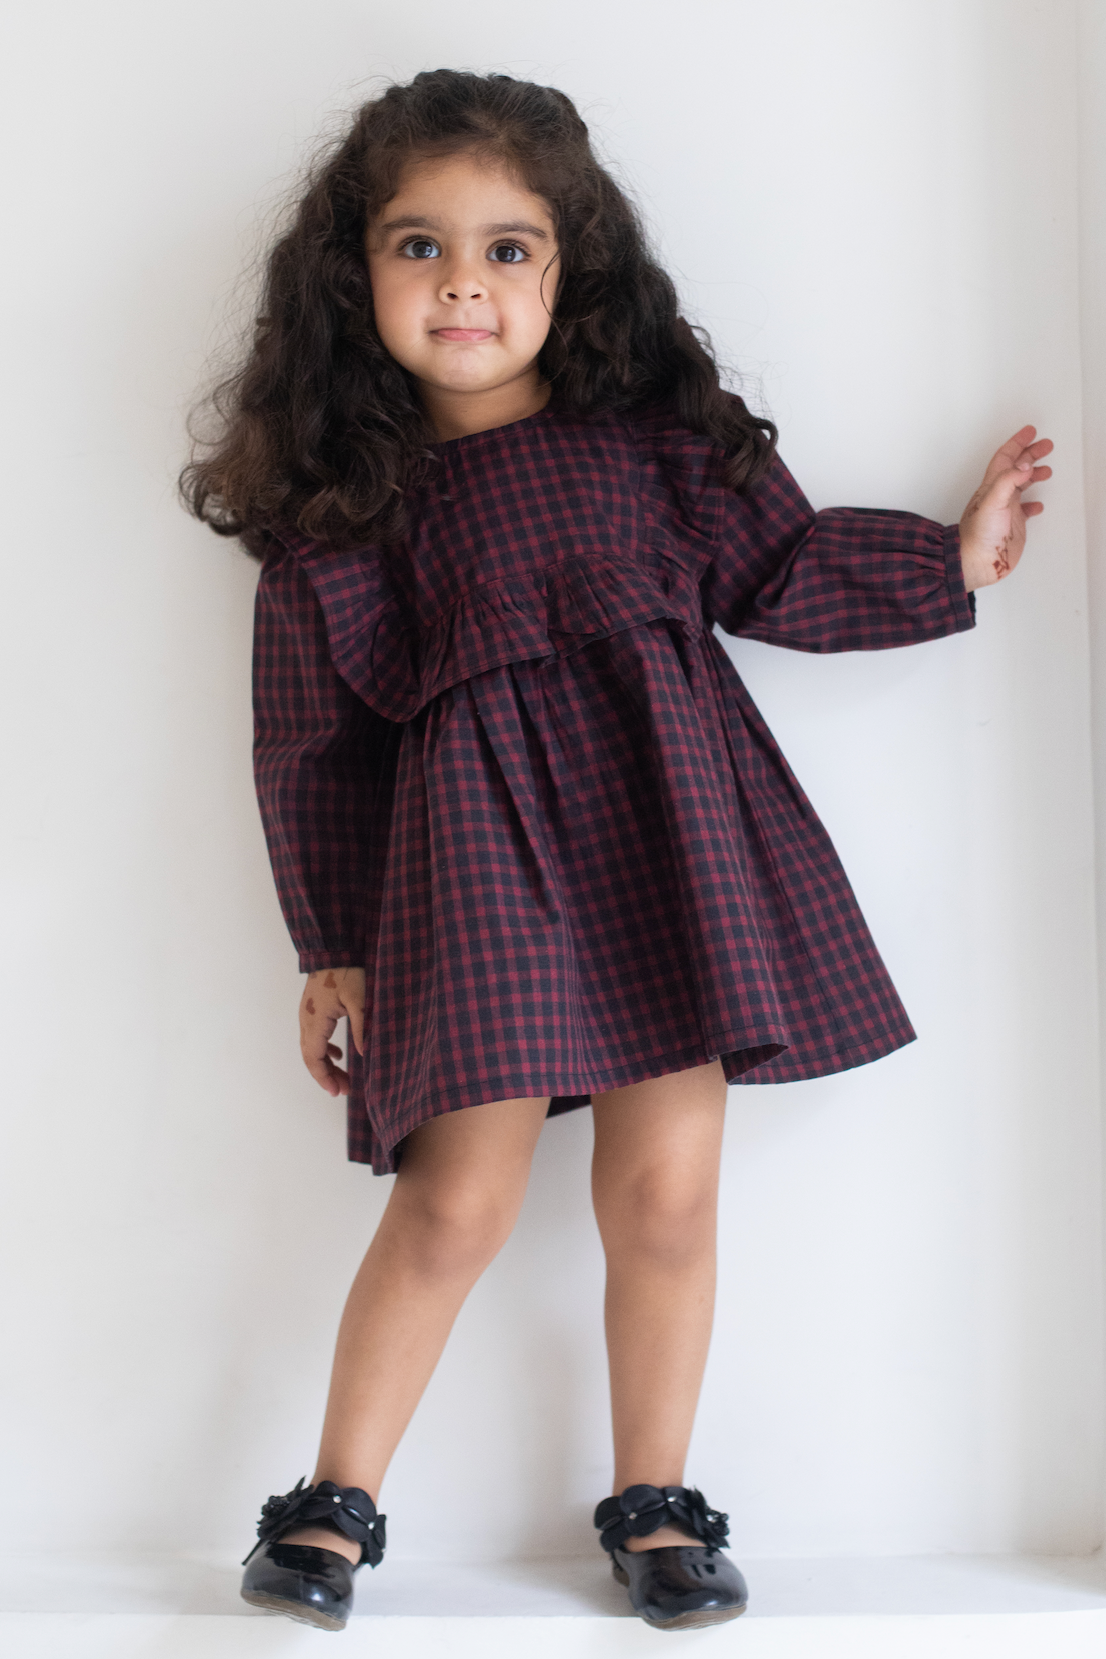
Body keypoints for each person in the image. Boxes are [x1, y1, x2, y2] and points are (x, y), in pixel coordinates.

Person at [181, 68, 1052, 1633]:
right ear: (349, 276)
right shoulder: (343, 520)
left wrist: (948, 555)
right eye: (417, 245)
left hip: (672, 848)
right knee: (454, 1200)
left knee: (665, 1196)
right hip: (478, 876)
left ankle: (656, 1501)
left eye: (508, 247)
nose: (464, 281)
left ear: (571, 267)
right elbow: (308, 746)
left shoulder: (652, 443)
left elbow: (783, 567)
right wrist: (329, 943)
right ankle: (331, 1501)